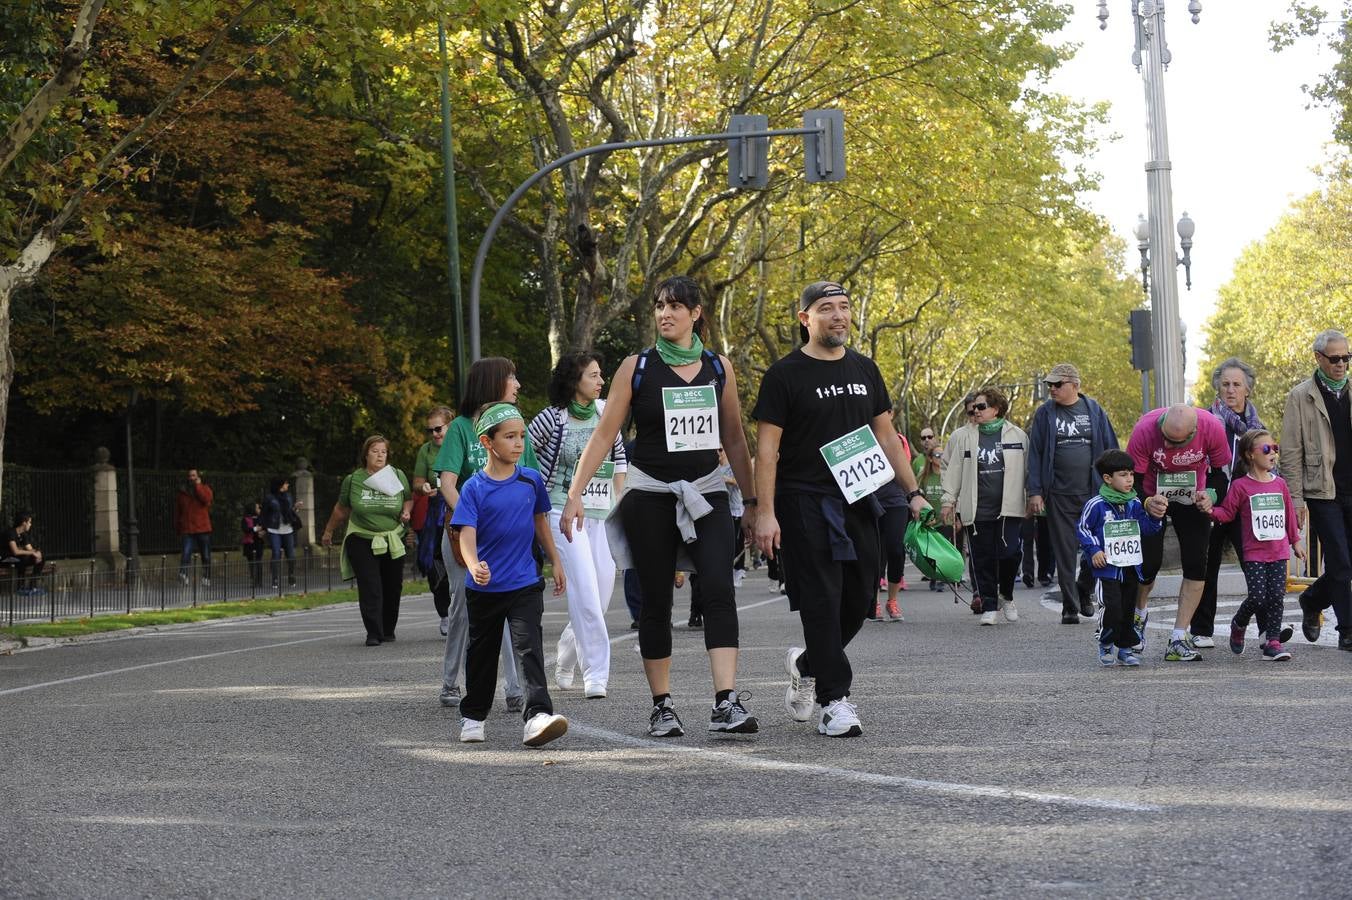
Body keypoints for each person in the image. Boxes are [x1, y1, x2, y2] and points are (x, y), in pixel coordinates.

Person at [560, 274, 759, 738]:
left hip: (707, 491)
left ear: (696, 314)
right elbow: (605, 434)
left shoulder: (719, 368)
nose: (664, 314)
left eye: (674, 306)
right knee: (655, 599)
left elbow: (734, 437)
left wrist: (752, 502)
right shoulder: (638, 367)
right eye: (659, 306)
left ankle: (725, 702)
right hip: (649, 494)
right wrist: (575, 494)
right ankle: (662, 706)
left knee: (718, 588)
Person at [752, 279, 931, 738]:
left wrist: (913, 492)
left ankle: (808, 662)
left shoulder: (865, 369)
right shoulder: (784, 375)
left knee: (857, 601)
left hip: (861, 496)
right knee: (821, 597)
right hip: (804, 500)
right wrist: (765, 512)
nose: (839, 316)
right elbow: (767, 450)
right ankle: (835, 701)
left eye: (845, 307)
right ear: (805, 318)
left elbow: (887, 437)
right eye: (827, 308)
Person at [452, 403, 569, 747]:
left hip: (524, 582)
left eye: (521, 436)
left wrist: (555, 561)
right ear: (488, 442)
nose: (519, 443)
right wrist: (473, 565)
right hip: (485, 589)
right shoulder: (474, 488)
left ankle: (537, 717)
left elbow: (540, 522)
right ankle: (473, 716)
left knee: (529, 649)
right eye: (510, 437)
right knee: (482, 655)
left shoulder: (530, 480)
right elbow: (465, 533)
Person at [435, 357, 538, 711]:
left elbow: (530, 481)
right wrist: (471, 516)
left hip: (508, 538)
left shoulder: (517, 427)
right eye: (512, 377)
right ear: (494, 382)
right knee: (463, 608)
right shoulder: (461, 428)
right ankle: (451, 682)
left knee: (510, 606)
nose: (518, 384)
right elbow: (447, 482)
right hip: (466, 534)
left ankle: (514, 689)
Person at [528, 351, 627, 698]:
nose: (602, 382)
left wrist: (615, 503)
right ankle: (596, 674)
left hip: (600, 514)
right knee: (584, 589)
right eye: (594, 376)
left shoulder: (605, 414)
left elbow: (620, 460)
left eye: (602, 375)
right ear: (574, 382)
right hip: (560, 513)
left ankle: (566, 655)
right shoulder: (551, 419)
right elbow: (522, 456)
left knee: (599, 596)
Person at [1126, 404, 1229, 661]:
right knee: (1148, 564)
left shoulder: (1212, 427)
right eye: (1167, 440)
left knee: (1196, 564)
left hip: (1192, 496)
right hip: (1153, 493)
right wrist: (1147, 502)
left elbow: (1221, 475)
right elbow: (1132, 481)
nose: (1171, 448)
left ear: (1194, 431)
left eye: (1178, 442)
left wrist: (1212, 496)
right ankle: (1138, 616)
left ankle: (1179, 636)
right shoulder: (1144, 429)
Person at [1026, 363, 1118, 624]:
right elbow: (1036, 454)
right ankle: (1069, 604)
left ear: (1074, 385)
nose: (1052, 389)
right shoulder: (1045, 414)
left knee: (1097, 546)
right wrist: (1034, 492)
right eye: (1050, 385)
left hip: (1094, 494)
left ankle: (1083, 588)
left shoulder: (1094, 410)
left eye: (1058, 384)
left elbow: (1111, 447)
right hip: (1059, 494)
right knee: (1064, 550)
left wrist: (1118, 484)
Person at [1282, 329, 1352, 652]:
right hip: (1322, 491)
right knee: (1339, 560)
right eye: (1335, 358)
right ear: (1319, 358)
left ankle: (1312, 599)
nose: (1341, 365)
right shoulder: (1301, 396)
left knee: (1347, 563)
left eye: (1346, 358)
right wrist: (1295, 499)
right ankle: (1347, 629)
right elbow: (1291, 452)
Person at [1210, 429, 1304, 661]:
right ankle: (1239, 623)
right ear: (1250, 455)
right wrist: (1209, 510)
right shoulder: (1241, 486)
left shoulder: (1280, 484)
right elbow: (1227, 513)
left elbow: (1289, 514)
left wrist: (1295, 541)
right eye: (1266, 449)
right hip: (1254, 552)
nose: (1272, 453)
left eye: (1275, 448)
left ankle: (1272, 642)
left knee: (1276, 597)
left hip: (1279, 550)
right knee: (1257, 597)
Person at [941, 387, 1027, 626]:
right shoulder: (961, 436)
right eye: (974, 408)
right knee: (982, 559)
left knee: (1011, 554)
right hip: (976, 508)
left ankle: (1006, 596)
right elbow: (952, 471)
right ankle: (989, 605)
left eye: (981, 407)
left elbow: (1028, 469)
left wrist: (1033, 497)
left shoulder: (1017, 435)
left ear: (996, 409)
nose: (975, 411)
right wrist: (948, 501)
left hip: (1009, 507)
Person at [1194, 357, 1265, 647]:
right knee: (1207, 566)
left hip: (1246, 506)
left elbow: (1269, 461)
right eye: (1225, 384)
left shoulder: (1258, 428)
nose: (1230, 390)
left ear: (1247, 389)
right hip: (1211, 503)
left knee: (1257, 566)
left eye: (1237, 384)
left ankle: (1266, 631)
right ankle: (1201, 630)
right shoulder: (1205, 420)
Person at [322, 435, 413, 646]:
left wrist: (406, 512)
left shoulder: (397, 475)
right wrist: (328, 532)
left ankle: (387, 628)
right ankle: (373, 632)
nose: (380, 455)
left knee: (392, 586)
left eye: (383, 451)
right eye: (375, 451)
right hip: (362, 538)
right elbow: (341, 508)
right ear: (366, 454)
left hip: (392, 538)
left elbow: (408, 499)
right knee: (370, 585)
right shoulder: (353, 480)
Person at [1078, 450, 1165, 667]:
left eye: (1131, 475)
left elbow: (1145, 528)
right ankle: (1106, 642)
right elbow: (1082, 528)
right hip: (1107, 569)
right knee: (1112, 607)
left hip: (1130, 567)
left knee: (1127, 609)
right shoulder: (1096, 504)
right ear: (1107, 478)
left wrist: (1155, 518)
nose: (1129, 480)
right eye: (1123, 475)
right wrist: (1094, 550)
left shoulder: (1134, 503)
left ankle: (1125, 648)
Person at [413, 406, 455, 637]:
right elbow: (417, 482)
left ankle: (466, 611)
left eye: (438, 429)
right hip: (435, 513)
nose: (435, 434)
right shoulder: (425, 451)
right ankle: (445, 613)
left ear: (450, 425)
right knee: (434, 564)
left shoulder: (461, 444)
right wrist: (423, 487)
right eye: (430, 430)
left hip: (458, 508)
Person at [174, 469, 214, 587]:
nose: (191, 478)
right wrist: (178, 527)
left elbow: (206, 499)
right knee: (186, 553)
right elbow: (178, 512)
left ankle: (206, 576)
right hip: (188, 528)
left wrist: (198, 486)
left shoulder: (205, 488)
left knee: (206, 555)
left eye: (194, 475)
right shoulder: (182, 493)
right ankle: (184, 574)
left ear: (198, 477)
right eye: (190, 476)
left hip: (202, 528)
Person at [916, 446, 949, 591]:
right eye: (937, 454)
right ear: (930, 458)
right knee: (932, 551)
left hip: (946, 519)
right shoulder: (924, 477)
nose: (940, 457)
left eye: (942, 454)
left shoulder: (947, 475)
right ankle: (934, 575)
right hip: (930, 519)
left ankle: (942, 578)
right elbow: (918, 496)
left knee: (943, 550)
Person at [262, 476, 303, 589]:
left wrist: (295, 507)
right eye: (285, 483)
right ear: (280, 485)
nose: (287, 485)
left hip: (287, 529)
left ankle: (291, 575)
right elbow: (264, 514)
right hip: (274, 529)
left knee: (291, 555)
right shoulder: (270, 498)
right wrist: (263, 528)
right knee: (276, 553)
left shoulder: (288, 497)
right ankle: (275, 578)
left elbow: (289, 512)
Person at [2, 512, 44, 595]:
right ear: (24, 523)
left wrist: (38, 553)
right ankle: (20, 587)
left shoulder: (23, 535)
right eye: (29, 522)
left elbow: (30, 549)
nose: (30, 525)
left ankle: (33, 586)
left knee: (41, 558)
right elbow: (15, 551)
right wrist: (32, 552)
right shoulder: (11, 533)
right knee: (23, 558)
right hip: (4, 558)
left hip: (16, 559)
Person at [241, 502, 265, 589]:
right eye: (257, 508)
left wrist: (263, 532)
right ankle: (253, 580)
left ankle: (259, 581)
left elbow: (265, 526)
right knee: (251, 563)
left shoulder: (260, 518)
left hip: (258, 542)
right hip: (249, 544)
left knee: (258, 562)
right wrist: (255, 529)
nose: (259, 509)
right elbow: (245, 529)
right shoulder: (245, 519)